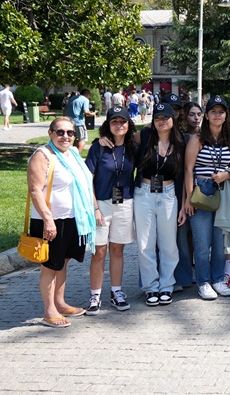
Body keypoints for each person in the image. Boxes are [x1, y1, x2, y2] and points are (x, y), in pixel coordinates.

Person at [28, 117, 101, 327]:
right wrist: (48, 220)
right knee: (50, 265)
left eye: (70, 132)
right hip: (50, 220)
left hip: (72, 218)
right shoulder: (42, 156)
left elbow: (86, 183)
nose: (65, 136)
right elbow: (35, 191)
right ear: (50, 133)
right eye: (60, 132)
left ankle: (59, 302)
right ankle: (49, 310)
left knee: (63, 261)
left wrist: (94, 209)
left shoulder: (74, 154)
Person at [184, 96, 230, 300]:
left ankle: (218, 279)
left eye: (221, 112)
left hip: (224, 194)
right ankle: (203, 282)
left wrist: (226, 174)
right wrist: (188, 199)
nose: (218, 115)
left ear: (226, 116)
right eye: (213, 112)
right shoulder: (197, 139)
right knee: (201, 243)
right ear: (206, 116)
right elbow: (189, 170)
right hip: (201, 191)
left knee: (220, 242)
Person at [84, 106, 138, 314]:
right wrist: (95, 207)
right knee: (99, 251)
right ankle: (95, 295)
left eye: (122, 121)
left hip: (124, 203)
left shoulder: (133, 146)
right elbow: (88, 178)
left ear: (128, 124)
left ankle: (116, 292)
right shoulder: (98, 147)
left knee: (117, 250)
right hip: (102, 204)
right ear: (108, 125)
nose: (119, 125)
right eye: (114, 122)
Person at [134, 102, 185, 306]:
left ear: (173, 120)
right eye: (157, 118)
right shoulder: (145, 137)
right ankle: (151, 287)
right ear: (153, 121)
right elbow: (120, 138)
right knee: (145, 243)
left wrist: (184, 204)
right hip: (144, 194)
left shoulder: (182, 141)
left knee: (168, 245)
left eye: (165, 117)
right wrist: (102, 139)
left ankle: (166, 285)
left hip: (169, 194)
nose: (162, 121)